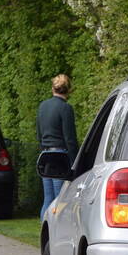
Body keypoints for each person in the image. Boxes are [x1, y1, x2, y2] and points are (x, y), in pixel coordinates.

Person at [36, 73, 78, 220]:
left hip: (45, 155)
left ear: (53, 88)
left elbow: (39, 134)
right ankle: (56, 235)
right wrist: (75, 162)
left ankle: (44, 234)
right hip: (60, 156)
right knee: (61, 199)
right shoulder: (65, 108)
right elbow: (70, 138)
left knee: (48, 199)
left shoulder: (42, 106)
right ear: (68, 90)